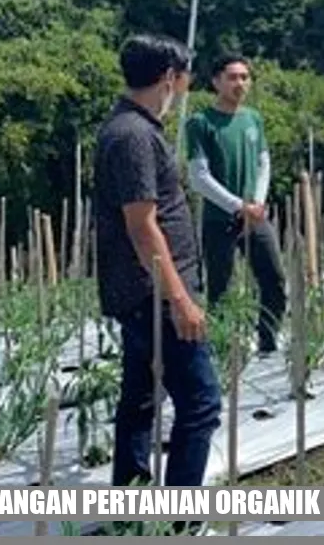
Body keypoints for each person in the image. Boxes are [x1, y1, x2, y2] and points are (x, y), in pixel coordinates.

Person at [92, 33, 221, 494]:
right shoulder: (132, 136)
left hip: (147, 291)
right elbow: (142, 227)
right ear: (168, 78)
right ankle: (180, 520)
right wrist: (180, 298)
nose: (182, 93)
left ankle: (130, 505)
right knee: (202, 404)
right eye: (183, 81)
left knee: (141, 400)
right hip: (155, 294)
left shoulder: (131, 129)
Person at [185, 53, 286, 357]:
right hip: (220, 219)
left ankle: (268, 339)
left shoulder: (253, 118)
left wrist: (256, 202)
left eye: (244, 77)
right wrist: (237, 205)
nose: (240, 83)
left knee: (274, 278)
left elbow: (263, 162)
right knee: (221, 289)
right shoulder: (200, 124)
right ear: (216, 82)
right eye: (232, 77)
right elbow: (198, 177)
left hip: (255, 216)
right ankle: (223, 349)